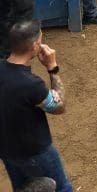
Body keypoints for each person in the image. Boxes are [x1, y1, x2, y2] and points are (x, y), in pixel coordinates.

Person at [0, 20, 72, 192]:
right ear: (35, 45)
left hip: (6, 150)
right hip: (35, 152)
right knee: (60, 188)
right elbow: (59, 107)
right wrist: (52, 68)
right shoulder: (31, 85)